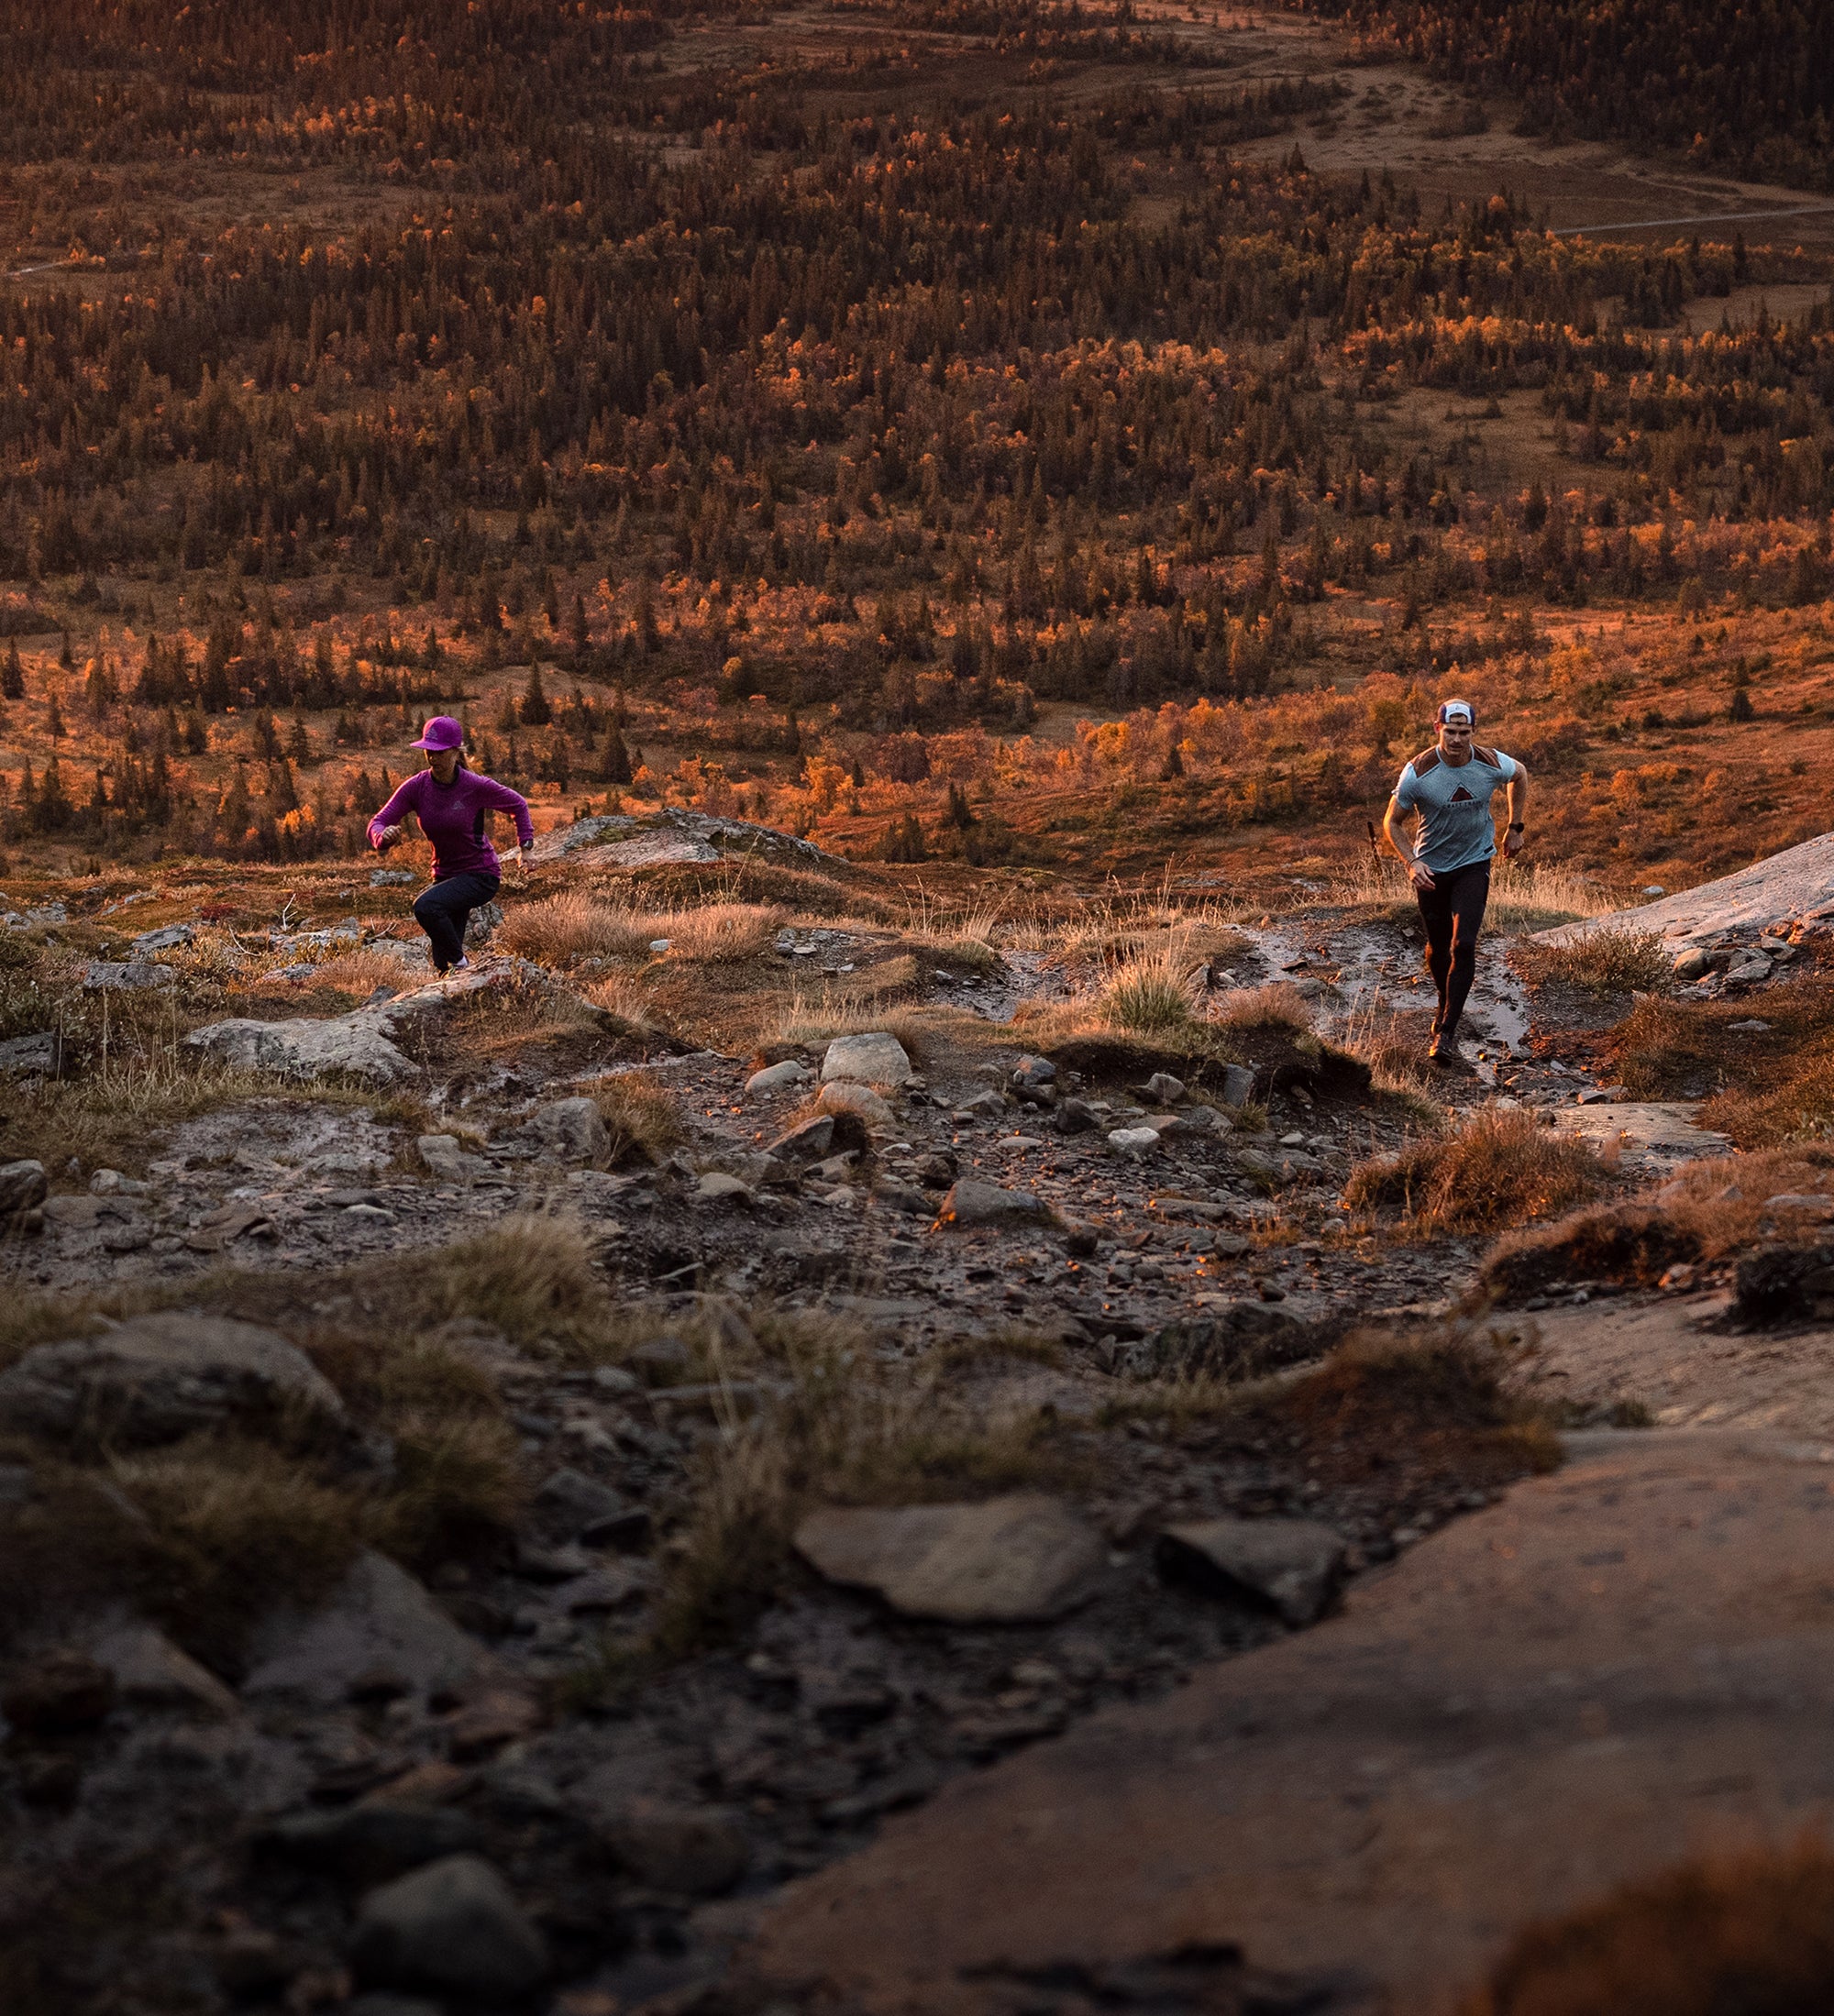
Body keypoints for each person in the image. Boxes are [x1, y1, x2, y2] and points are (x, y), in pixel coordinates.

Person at [1382, 698, 1530, 1063]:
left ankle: (1446, 1032)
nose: (1457, 739)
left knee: (1463, 945)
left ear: (1473, 732)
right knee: (1438, 946)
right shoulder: (1418, 772)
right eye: (1450, 731)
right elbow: (1392, 823)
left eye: (1464, 732)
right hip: (1432, 869)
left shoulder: (1491, 762)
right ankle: (1445, 1001)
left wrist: (1514, 828)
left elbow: (1521, 775)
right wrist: (1412, 862)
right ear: (1438, 730)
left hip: (1474, 863)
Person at [368, 716, 535, 973]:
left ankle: (465, 967)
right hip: (445, 876)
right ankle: (458, 987)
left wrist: (526, 848)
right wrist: (383, 838)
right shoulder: (417, 787)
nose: (432, 757)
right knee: (441, 961)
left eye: (440, 752)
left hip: (480, 875)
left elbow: (518, 804)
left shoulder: (474, 785)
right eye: (428, 751)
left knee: (426, 907)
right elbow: (378, 822)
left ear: (457, 752)